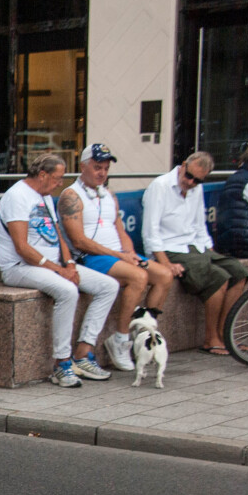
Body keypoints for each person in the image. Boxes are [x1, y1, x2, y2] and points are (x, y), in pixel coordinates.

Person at [0, 153, 118, 387]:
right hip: (19, 267)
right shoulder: (17, 196)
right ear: (42, 175)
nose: (60, 183)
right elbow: (22, 247)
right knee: (68, 291)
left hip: (52, 266)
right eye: (57, 178)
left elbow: (58, 234)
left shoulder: (44, 195)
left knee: (108, 286)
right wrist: (58, 270)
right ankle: (61, 364)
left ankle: (83, 353)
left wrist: (69, 263)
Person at [58, 143, 174, 371]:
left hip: (117, 255)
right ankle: (121, 340)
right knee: (139, 277)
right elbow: (79, 241)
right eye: (97, 167)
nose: (101, 173)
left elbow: (121, 231)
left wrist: (129, 253)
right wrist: (119, 255)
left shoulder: (108, 194)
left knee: (164, 275)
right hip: (91, 257)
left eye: (105, 169)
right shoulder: (71, 195)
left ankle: (143, 336)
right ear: (83, 166)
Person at [143, 151, 248, 355]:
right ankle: (211, 339)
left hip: (194, 246)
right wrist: (165, 262)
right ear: (183, 166)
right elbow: (151, 231)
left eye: (197, 180)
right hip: (170, 248)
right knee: (218, 277)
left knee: (238, 272)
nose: (191, 182)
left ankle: (224, 334)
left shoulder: (195, 189)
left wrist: (210, 251)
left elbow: (200, 226)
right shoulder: (161, 186)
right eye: (189, 176)